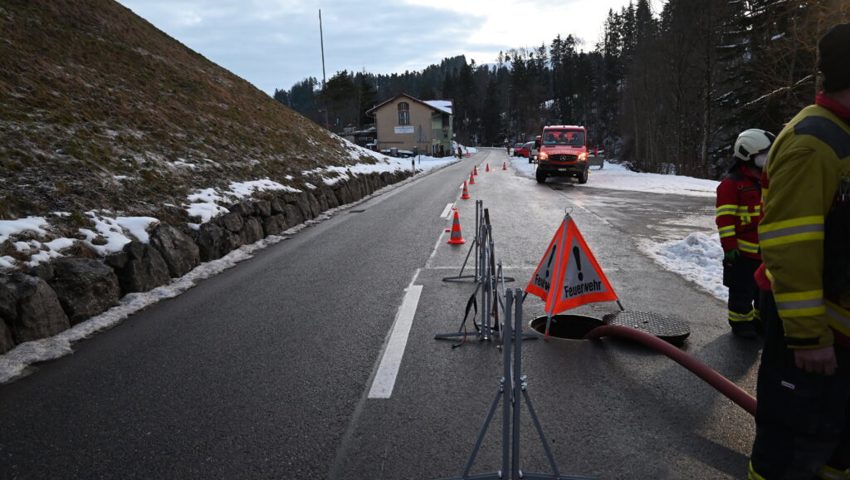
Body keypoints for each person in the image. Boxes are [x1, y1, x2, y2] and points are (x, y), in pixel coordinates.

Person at [749, 23, 850, 480]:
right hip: (814, 344)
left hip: (837, 340)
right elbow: (790, 247)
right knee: (790, 457)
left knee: (834, 454)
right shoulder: (815, 143)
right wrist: (810, 337)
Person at [715, 128, 775, 338]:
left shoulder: (767, 181)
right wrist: (730, 247)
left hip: (765, 252)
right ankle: (741, 323)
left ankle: (759, 320)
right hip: (742, 254)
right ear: (748, 155)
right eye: (764, 155)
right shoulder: (732, 185)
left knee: (763, 291)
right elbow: (725, 220)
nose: (769, 159)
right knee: (741, 290)